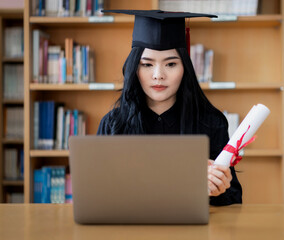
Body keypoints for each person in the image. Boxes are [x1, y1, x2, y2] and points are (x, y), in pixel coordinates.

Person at [97, 10, 242, 206]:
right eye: (147, 64)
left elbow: (233, 199)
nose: (158, 75)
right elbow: (99, 194)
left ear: (185, 68)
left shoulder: (210, 123)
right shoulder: (113, 124)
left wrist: (218, 190)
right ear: (134, 69)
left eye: (171, 64)